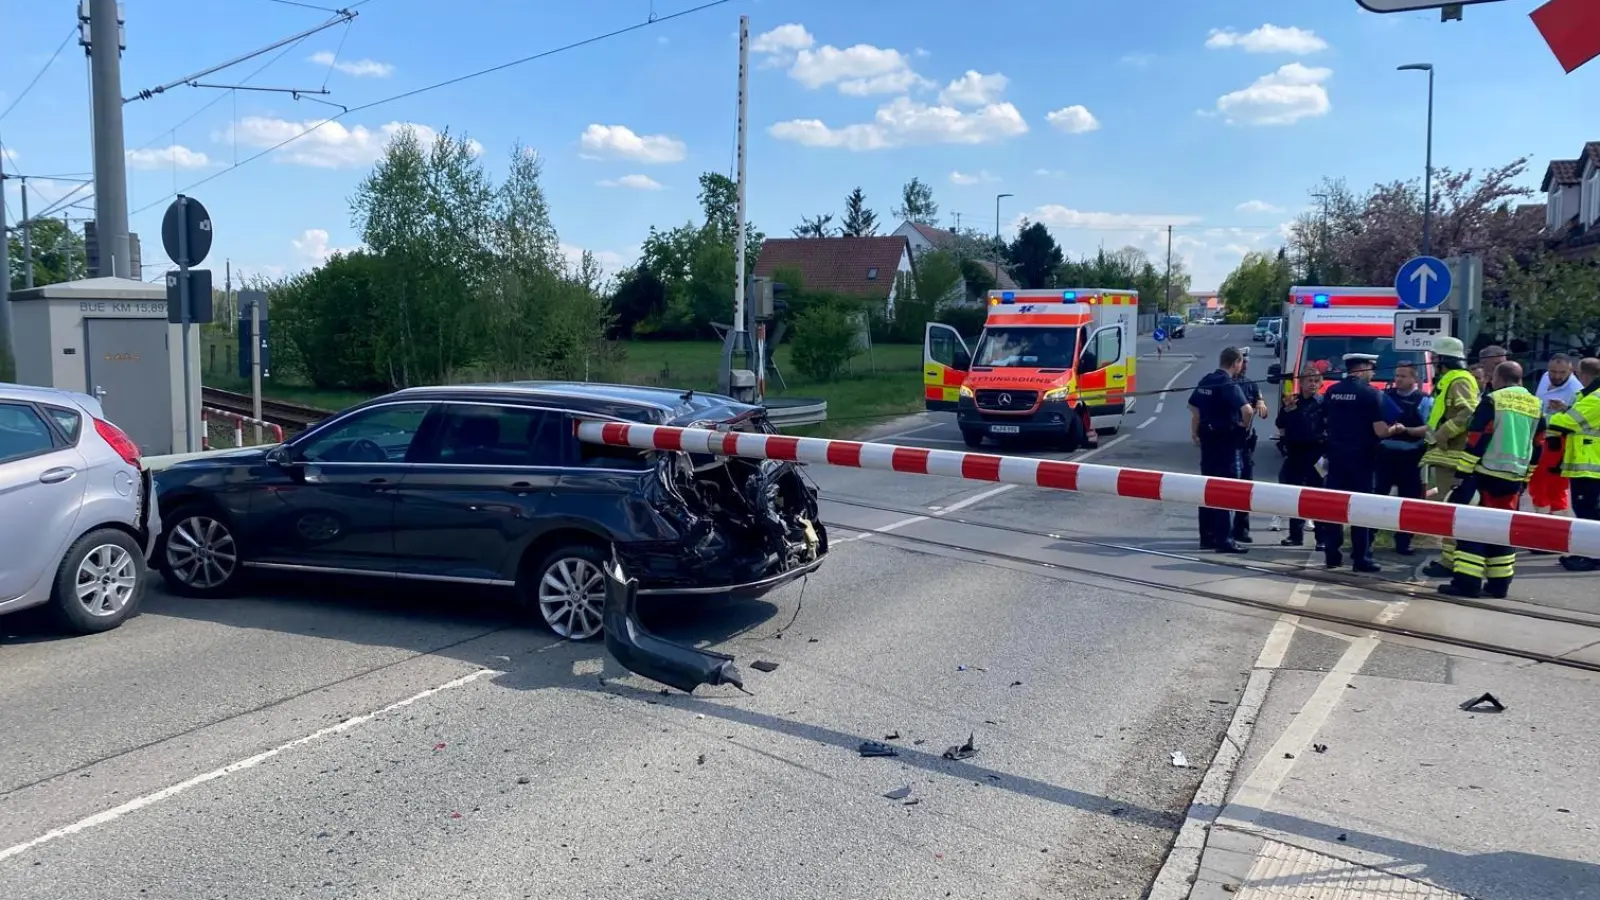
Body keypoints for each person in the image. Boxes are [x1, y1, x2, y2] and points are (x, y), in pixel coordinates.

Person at [1438, 362, 1545, 598]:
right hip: (1514, 480)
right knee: (1503, 531)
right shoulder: (1537, 405)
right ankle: (1499, 585)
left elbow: (1477, 440)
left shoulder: (1493, 400)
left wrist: (1462, 474)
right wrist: (1525, 478)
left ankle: (1467, 583)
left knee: (1472, 529)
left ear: (1500, 378)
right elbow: (1538, 446)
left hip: (1485, 476)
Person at [1320, 352, 1402, 572]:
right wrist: (1396, 429)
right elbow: (1381, 431)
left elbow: (1325, 421)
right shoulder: (1370, 394)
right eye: (1372, 369)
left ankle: (1332, 555)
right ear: (1364, 367)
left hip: (1336, 458)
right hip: (1362, 459)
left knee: (1334, 508)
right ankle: (1360, 557)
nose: (1373, 373)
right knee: (1361, 508)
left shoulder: (1332, 391)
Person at [1421, 336, 1480, 579]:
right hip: (1446, 455)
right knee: (1449, 508)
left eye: (1436, 358)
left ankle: (1450, 561)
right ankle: (1450, 559)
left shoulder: (1459, 380)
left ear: (1444, 359)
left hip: (1454, 456)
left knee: (1452, 509)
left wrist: (1444, 433)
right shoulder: (1451, 379)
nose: (1433, 362)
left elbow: (1470, 412)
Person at [1189, 347, 1254, 554]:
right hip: (1226, 443)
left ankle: (1206, 537)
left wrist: (1195, 432)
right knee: (1224, 490)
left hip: (1208, 441)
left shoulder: (1206, 380)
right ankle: (1224, 539)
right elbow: (1247, 410)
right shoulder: (1228, 384)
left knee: (1206, 489)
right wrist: (1244, 427)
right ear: (1236, 362)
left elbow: (1193, 408)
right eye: (1241, 362)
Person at [1548, 357, 1600, 572]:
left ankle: (1592, 557)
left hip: (1590, 465)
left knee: (1589, 512)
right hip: (1586, 463)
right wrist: (1567, 408)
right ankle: (1585, 553)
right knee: (1585, 511)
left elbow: (1568, 422)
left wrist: (1545, 418)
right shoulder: (1588, 396)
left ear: (1583, 374)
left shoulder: (1595, 398)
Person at [1376, 362, 1430, 555]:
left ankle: (1403, 543)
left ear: (1414, 379)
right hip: (1386, 457)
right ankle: (1368, 539)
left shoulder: (1423, 400)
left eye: (1403, 376)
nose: (1398, 379)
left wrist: (1406, 430)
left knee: (1409, 503)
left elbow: (1429, 427)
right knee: (1375, 499)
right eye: (1397, 375)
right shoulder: (1385, 397)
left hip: (1411, 459)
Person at [1275, 367, 1326, 549]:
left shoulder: (1323, 403)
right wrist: (1287, 409)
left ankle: (1322, 538)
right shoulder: (1292, 401)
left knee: (1318, 496)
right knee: (1294, 495)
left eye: (1316, 381)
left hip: (1317, 454)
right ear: (1301, 382)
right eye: (1309, 380)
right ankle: (1295, 535)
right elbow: (1280, 424)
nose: (1312, 384)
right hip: (1296, 453)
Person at [1530, 353, 1580, 518]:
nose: (1556, 376)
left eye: (1562, 373)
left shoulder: (1576, 390)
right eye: (1553, 371)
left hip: (1559, 443)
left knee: (1555, 487)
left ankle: (1557, 521)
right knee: (1536, 482)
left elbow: (1577, 421)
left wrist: (1566, 409)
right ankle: (1541, 518)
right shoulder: (1546, 378)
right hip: (1540, 438)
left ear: (1570, 370)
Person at [1231, 353, 1271, 543]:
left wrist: (1261, 402)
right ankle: (1221, 529)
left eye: (1246, 362)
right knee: (1223, 486)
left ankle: (1242, 529)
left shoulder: (1251, 384)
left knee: (1245, 487)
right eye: (1242, 362)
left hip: (1245, 442)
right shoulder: (1223, 382)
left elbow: (1263, 412)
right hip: (1227, 440)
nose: (1244, 366)